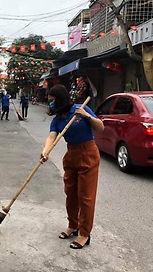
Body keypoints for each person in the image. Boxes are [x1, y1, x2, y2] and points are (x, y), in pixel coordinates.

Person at [40, 84, 104, 249]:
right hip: (71, 155)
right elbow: (51, 137)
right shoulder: (58, 120)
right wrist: (45, 152)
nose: (51, 103)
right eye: (49, 101)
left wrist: (87, 116)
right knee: (71, 193)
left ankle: (84, 233)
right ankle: (72, 225)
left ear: (61, 99)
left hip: (88, 153)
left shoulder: (80, 109)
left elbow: (100, 127)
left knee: (86, 196)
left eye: (53, 100)